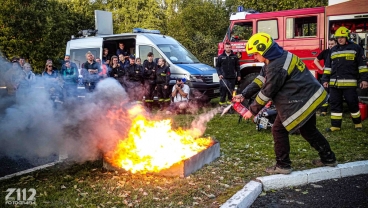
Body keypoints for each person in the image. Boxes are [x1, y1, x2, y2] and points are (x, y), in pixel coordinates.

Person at [235, 32, 337, 174]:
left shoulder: (276, 66)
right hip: (309, 96)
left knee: (278, 129)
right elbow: (260, 79)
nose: (254, 57)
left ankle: (283, 165)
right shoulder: (275, 57)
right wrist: (244, 94)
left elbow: (267, 92)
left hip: (302, 99)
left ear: (265, 51)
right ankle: (328, 158)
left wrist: (251, 111)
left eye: (256, 54)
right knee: (308, 130)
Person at [322, 26, 368, 132]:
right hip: (334, 84)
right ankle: (336, 126)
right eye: (338, 37)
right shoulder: (333, 50)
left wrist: (364, 80)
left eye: (342, 37)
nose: (340, 39)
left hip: (349, 84)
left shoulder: (356, 48)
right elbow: (328, 67)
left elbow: (362, 66)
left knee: (352, 103)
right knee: (335, 104)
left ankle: (358, 123)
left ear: (347, 37)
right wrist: (325, 80)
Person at [314, 38, 337, 116]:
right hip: (326, 75)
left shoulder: (338, 52)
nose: (330, 45)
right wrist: (321, 68)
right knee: (325, 93)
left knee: (334, 94)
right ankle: (324, 111)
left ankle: (335, 110)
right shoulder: (325, 52)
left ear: (336, 44)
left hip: (336, 75)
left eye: (332, 44)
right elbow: (315, 60)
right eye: (329, 44)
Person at [216, 42, 241, 107]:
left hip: (232, 78)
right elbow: (217, 66)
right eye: (227, 47)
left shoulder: (234, 57)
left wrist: (239, 75)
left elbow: (237, 67)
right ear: (224, 48)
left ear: (231, 47)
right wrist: (219, 74)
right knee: (223, 92)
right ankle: (222, 106)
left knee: (231, 93)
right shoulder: (221, 57)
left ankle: (230, 107)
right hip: (223, 78)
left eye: (229, 47)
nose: (228, 48)